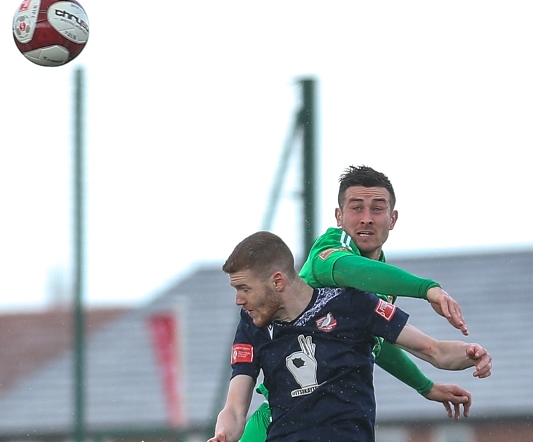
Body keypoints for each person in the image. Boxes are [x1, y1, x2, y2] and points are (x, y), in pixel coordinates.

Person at [238, 165, 478, 441]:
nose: (366, 219)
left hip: (334, 424)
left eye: (377, 209)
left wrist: (425, 386)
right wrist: (428, 289)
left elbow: (376, 338)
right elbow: (350, 269)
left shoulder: (379, 280)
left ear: (393, 218)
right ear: (339, 216)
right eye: (356, 208)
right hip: (281, 419)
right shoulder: (330, 250)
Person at [208, 231, 492, 442]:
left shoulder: (351, 305)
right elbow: (234, 408)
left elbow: (434, 350)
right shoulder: (252, 325)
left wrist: (471, 354)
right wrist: (223, 434)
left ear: (277, 281)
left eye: (244, 288)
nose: (238, 300)